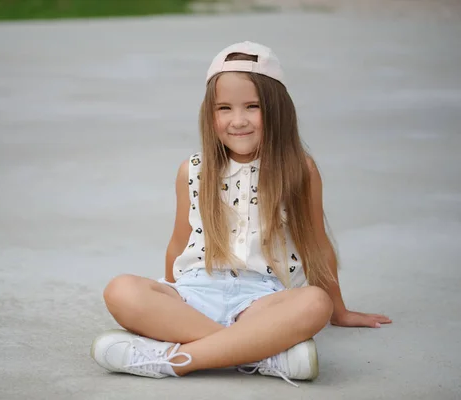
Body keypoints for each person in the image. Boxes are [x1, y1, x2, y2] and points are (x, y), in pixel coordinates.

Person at [90, 41, 392, 386]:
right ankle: (261, 353)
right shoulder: (193, 170)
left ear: (277, 110)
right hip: (197, 289)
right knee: (121, 290)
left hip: (263, 300)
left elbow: (317, 245)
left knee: (313, 303)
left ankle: (175, 359)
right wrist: (169, 303)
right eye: (224, 108)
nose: (238, 121)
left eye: (253, 106)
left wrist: (337, 311)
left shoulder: (299, 170)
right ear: (210, 113)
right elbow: (179, 241)